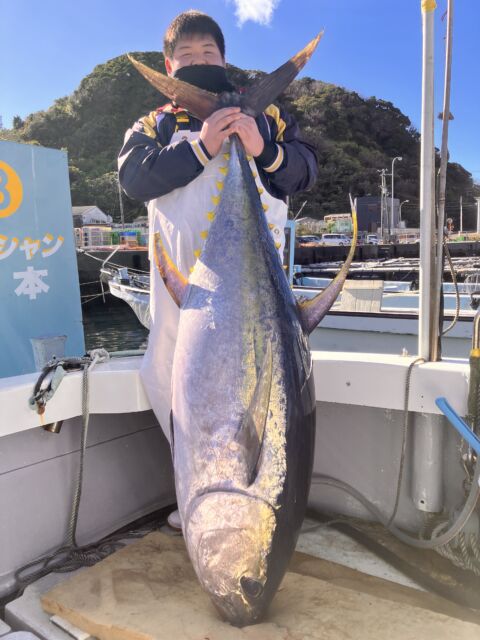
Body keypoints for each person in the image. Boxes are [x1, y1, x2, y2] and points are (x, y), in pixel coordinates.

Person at [118, 10, 317, 530]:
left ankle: (228, 492)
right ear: (169, 66)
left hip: (255, 286)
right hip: (181, 286)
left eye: (207, 52)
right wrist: (205, 144)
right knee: (162, 375)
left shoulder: (269, 117)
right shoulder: (155, 123)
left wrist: (262, 147)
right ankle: (203, 484)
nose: (198, 60)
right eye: (186, 55)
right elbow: (133, 179)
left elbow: (304, 171)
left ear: (224, 58)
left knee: (267, 385)